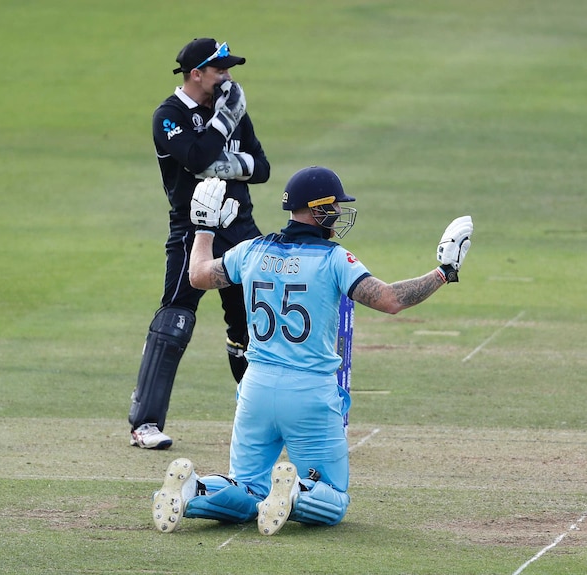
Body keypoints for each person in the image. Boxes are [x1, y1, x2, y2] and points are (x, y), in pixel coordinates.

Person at [151, 167, 473, 534]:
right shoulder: (334, 258)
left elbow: (198, 275)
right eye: (334, 206)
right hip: (309, 393)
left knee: (246, 486)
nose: (338, 212)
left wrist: (204, 229)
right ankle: (297, 493)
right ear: (317, 210)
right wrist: (444, 271)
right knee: (333, 496)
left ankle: (196, 488)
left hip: (255, 388)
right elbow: (390, 300)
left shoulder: (252, 250)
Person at [128, 38, 271, 449]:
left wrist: (225, 160)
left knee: (250, 323)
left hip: (241, 228)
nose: (228, 77)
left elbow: (261, 167)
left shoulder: (232, 111)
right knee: (176, 318)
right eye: (220, 70)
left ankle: (257, 415)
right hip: (193, 228)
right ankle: (145, 423)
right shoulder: (169, 116)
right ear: (197, 73)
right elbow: (194, 158)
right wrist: (224, 123)